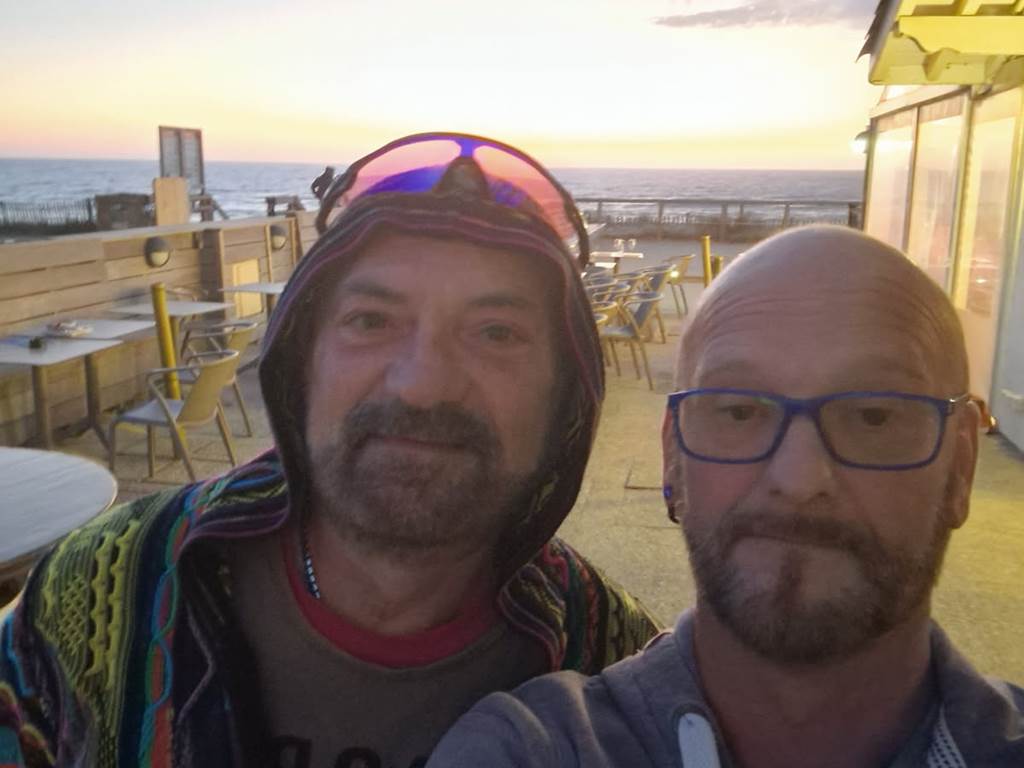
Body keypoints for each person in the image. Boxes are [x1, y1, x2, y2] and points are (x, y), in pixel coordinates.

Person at [0, 133, 658, 768]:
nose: (422, 385)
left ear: (563, 397)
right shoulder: (95, 592)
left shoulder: (616, 662)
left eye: (496, 332)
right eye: (371, 321)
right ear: (300, 365)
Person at [428, 225, 1024, 767]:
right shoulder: (529, 749)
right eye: (738, 411)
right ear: (672, 461)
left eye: (872, 416)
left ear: (963, 465)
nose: (798, 479)